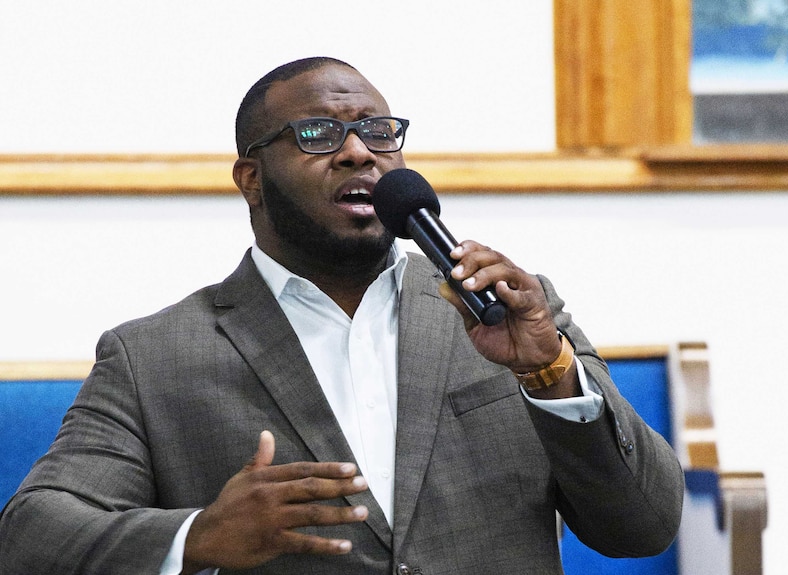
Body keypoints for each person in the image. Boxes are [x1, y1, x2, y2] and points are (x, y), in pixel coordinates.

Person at [0, 56, 684, 575]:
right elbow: (31, 534)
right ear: (251, 179)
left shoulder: (511, 315)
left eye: (377, 132)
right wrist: (199, 533)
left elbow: (644, 524)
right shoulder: (154, 356)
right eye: (319, 133)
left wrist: (551, 372)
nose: (359, 150)